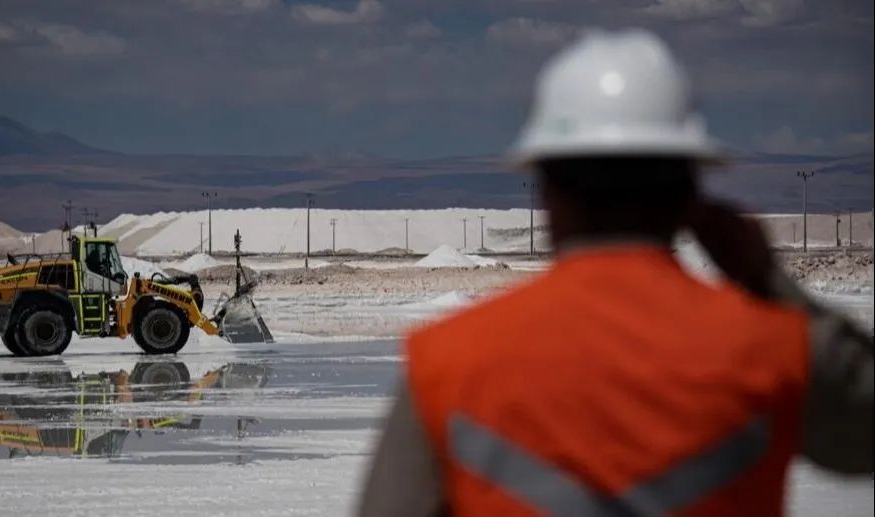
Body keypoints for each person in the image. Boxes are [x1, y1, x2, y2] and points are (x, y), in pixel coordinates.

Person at [358, 29, 873, 517]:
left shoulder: (448, 361)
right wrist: (767, 281)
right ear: (691, 196)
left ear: (548, 192)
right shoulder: (772, 348)